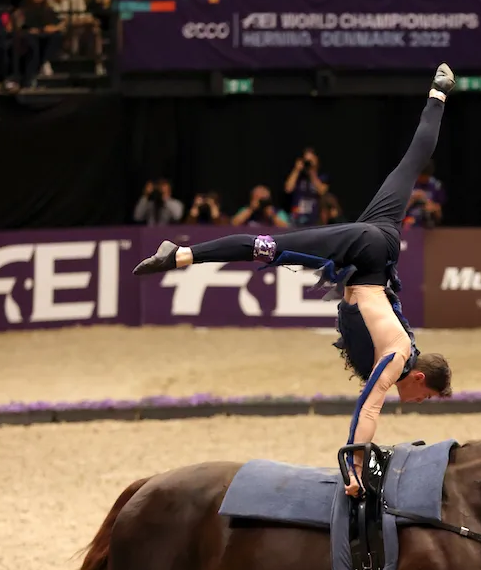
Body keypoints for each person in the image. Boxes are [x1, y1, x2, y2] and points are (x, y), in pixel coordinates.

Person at [134, 66, 456, 490]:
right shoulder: (398, 354)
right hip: (368, 250)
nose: (419, 404)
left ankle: (439, 94)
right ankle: (179, 254)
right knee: (268, 248)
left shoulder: (401, 348)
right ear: (420, 379)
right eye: (426, 399)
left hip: (377, 252)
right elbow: (369, 408)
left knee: (409, 163)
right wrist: (353, 469)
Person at [47, 0, 103, 66]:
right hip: (62, 28)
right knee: (74, 27)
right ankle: (76, 60)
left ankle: (98, 62)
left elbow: (83, 15)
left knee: (94, 29)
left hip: (78, 24)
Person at [15, 0, 63, 85]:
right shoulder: (25, 8)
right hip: (29, 36)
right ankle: (31, 77)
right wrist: (29, 30)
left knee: (57, 36)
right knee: (32, 42)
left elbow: (59, 23)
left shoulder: (47, 9)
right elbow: (19, 26)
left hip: (45, 35)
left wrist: (54, 27)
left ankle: (45, 62)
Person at [284, 148, 329, 225]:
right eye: (306, 161)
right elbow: (288, 189)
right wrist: (296, 170)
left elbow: (322, 191)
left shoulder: (322, 177)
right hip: (297, 218)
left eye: (311, 160)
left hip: (314, 219)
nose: (308, 163)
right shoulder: (298, 177)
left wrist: (312, 173)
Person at [405, 159, 445, 227]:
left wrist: (432, 206)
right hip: (408, 223)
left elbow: (439, 215)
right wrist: (412, 198)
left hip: (428, 225)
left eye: (426, 177)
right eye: (421, 176)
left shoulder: (436, 185)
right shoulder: (407, 184)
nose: (423, 179)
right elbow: (398, 212)